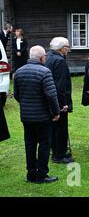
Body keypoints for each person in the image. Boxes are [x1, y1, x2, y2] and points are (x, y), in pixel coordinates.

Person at [14, 45, 61, 183]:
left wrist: (26, 105)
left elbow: (17, 95)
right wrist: (56, 112)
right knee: (45, 144)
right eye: (44, 56)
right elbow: (51, 95)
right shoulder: (45, 72)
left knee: (29, 144)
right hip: (42, 117)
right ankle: (41, 175)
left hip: (26, 116)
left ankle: (30, 174)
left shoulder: (19, 72)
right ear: (41, 57)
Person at [45, 37, 74, 164]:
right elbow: (61, 85)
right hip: (58, 100)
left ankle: (57, 151)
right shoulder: (59, 61)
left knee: (55, 127)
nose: (69, 50)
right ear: (62, 49)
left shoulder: (48, 57)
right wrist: (64, 104)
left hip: (50, 97)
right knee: (61, 128)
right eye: (68, 47)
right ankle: (59, 155)